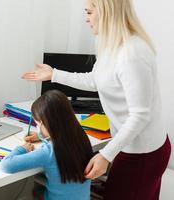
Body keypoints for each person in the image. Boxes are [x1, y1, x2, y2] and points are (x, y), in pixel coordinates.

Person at [22, 0, 171, 199]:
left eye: (90, 12)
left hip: (143, 153)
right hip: (132, 148)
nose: (86, 18)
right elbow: (95, 80)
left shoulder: (132, 54)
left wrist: (105, 155)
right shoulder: (112, 44)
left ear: (106, 12)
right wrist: (54, 75)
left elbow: (140, 116)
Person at [1, 90, 93, 200]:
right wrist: (42, 137)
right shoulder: (81, 139)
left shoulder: (48, 152)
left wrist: (22, 148)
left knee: (30, 193)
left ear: (44, 124)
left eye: (37, 124)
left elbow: (6, 166)